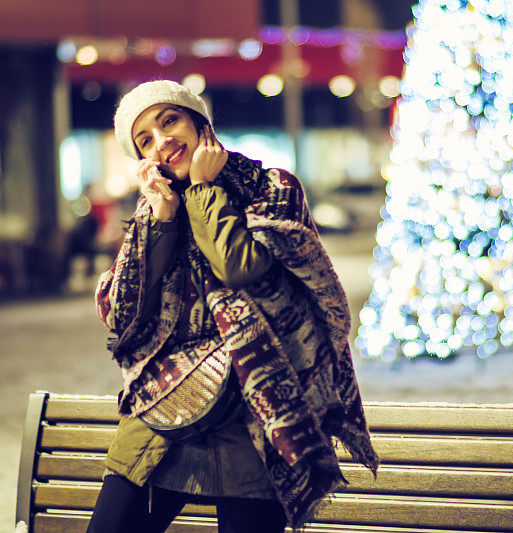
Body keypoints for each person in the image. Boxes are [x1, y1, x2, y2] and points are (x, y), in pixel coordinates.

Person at [91, 80, 378, 533]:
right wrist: (163, 221)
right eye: (145, 139)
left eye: (170, 121)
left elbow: (240, 267)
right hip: (167, 404)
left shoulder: (271, 188)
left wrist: (203, 190)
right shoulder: (155, 214)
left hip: (255, 413)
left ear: (200, 125)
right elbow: (124, 316)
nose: (163, 142)